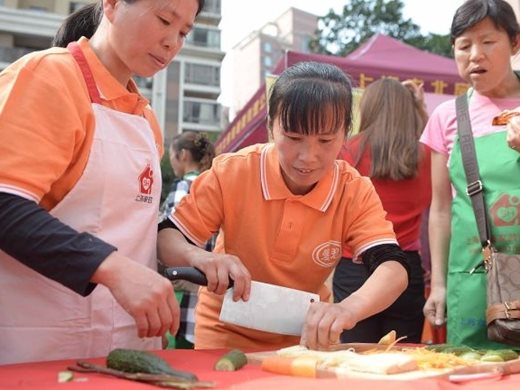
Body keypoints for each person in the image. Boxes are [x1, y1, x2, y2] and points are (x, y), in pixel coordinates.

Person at [0, 0, 204, 365]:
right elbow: (4, 204)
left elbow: (130, 229)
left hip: (128, 348)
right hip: (37, 346)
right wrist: (113, 269)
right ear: (111, 4)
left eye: (184, 32)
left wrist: (192, 255)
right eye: (164, 20)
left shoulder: (146, 119)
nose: (172, 41)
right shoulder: (48, 76)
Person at [157, 61, 410, 351]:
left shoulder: (353, 190)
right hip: (223, 335)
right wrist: (199, 257)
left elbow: (393, 267)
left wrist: (348, 309)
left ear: (345, 134)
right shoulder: (233, 172)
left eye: (326, 140)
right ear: (271, 126)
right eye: (293, 138)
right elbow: (167, 238)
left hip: (308, 341)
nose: (308, 157)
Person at [421, 0, 520, 349]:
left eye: (488, 42)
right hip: (473, 280)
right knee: (472, 374)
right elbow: (441, 208)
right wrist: (440, 286)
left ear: (515, 43)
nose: (475, 54)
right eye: (464, 46)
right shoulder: (447, 117)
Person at [333, 78, 431, 343]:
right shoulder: (426, 155)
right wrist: (421, 110)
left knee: (355, 353)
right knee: (402, 355)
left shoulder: (347, 151)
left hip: (355, 262)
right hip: (407, 267)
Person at [159, 131, 215, 349]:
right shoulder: (213, 182)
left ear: (182, 155)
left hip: (185, 290)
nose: (171, 162)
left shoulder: (184, 187)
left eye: (171, 156)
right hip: (211, 293)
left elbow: (175, 236)